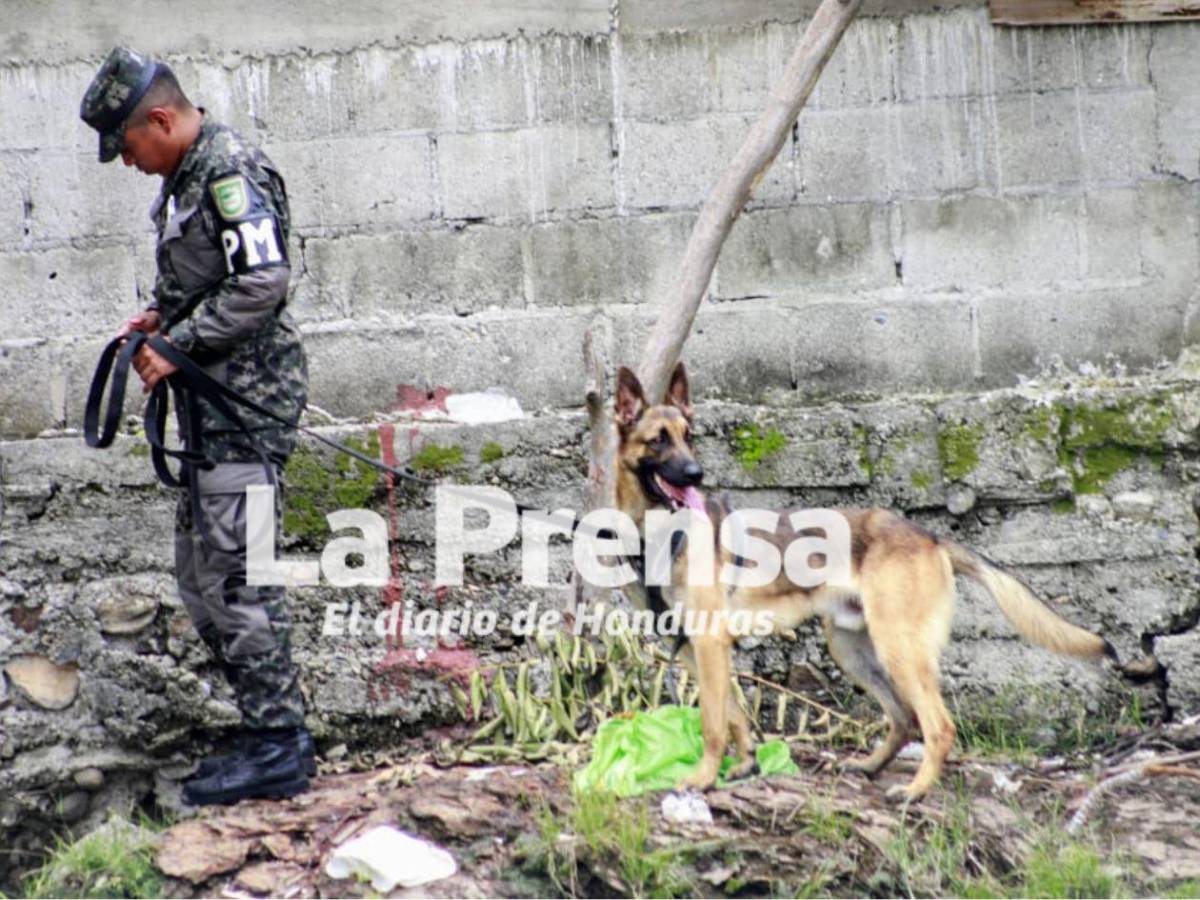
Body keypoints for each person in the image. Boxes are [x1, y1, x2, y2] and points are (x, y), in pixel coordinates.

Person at [80, 47, 314, 805]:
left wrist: (178, 343)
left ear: (160, 119)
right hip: (212, 414)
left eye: (127, 146)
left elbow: (264, 281)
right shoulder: (187, 174)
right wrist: (161, 316)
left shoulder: (227, 169)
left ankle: (281, 746)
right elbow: (212, 275)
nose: (127, 163)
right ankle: (263, 731)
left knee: (240, 578)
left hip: (246, 410)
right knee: (200, 578)